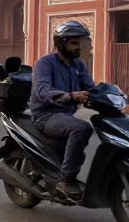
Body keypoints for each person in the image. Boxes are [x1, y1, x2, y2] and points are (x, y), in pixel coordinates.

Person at [31, 21, 98, 200]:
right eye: (74, 43)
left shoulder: (78, 65)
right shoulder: (45, 64)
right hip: (46, 115)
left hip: (65, 115)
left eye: (80, 43)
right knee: (82, 128)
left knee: (80, 129)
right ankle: (65, 180)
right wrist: (70, 96)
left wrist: (109, 95)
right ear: (62, 43)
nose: (79, 47)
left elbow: (91, 88)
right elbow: (42, 90)